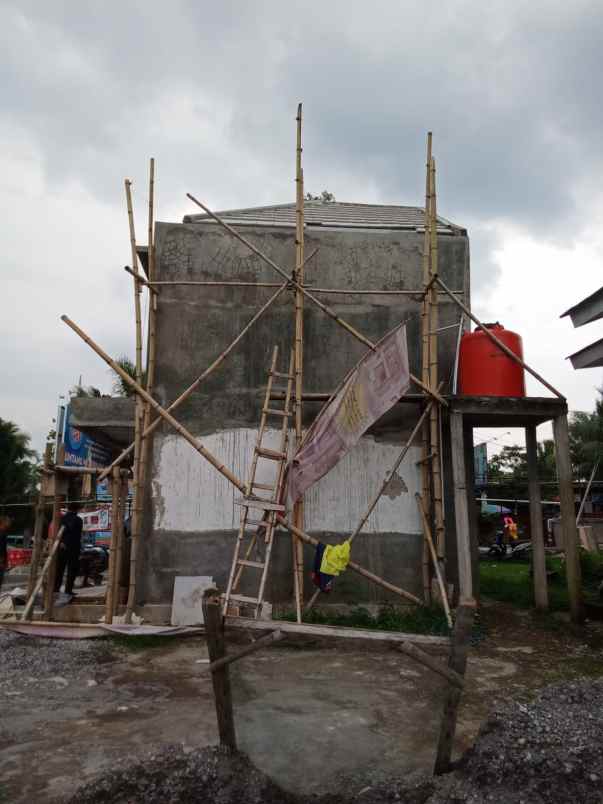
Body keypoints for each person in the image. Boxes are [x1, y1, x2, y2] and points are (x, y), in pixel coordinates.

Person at [54, 503, 83, 599]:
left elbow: (57, 532)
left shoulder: (61, 519)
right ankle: (68, 590)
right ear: (77, 510)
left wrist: (62, 542)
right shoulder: (79, 520)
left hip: (62, 546)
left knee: (59, 569)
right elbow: (77, 535)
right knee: (72, 570)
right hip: (73, 548)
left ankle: (55, 588)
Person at [0, 515, 11, 593]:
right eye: (7, 521)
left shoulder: (3, 533)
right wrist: (1, 561)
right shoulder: (1, 534)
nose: (9, 523)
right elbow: (1, 548)